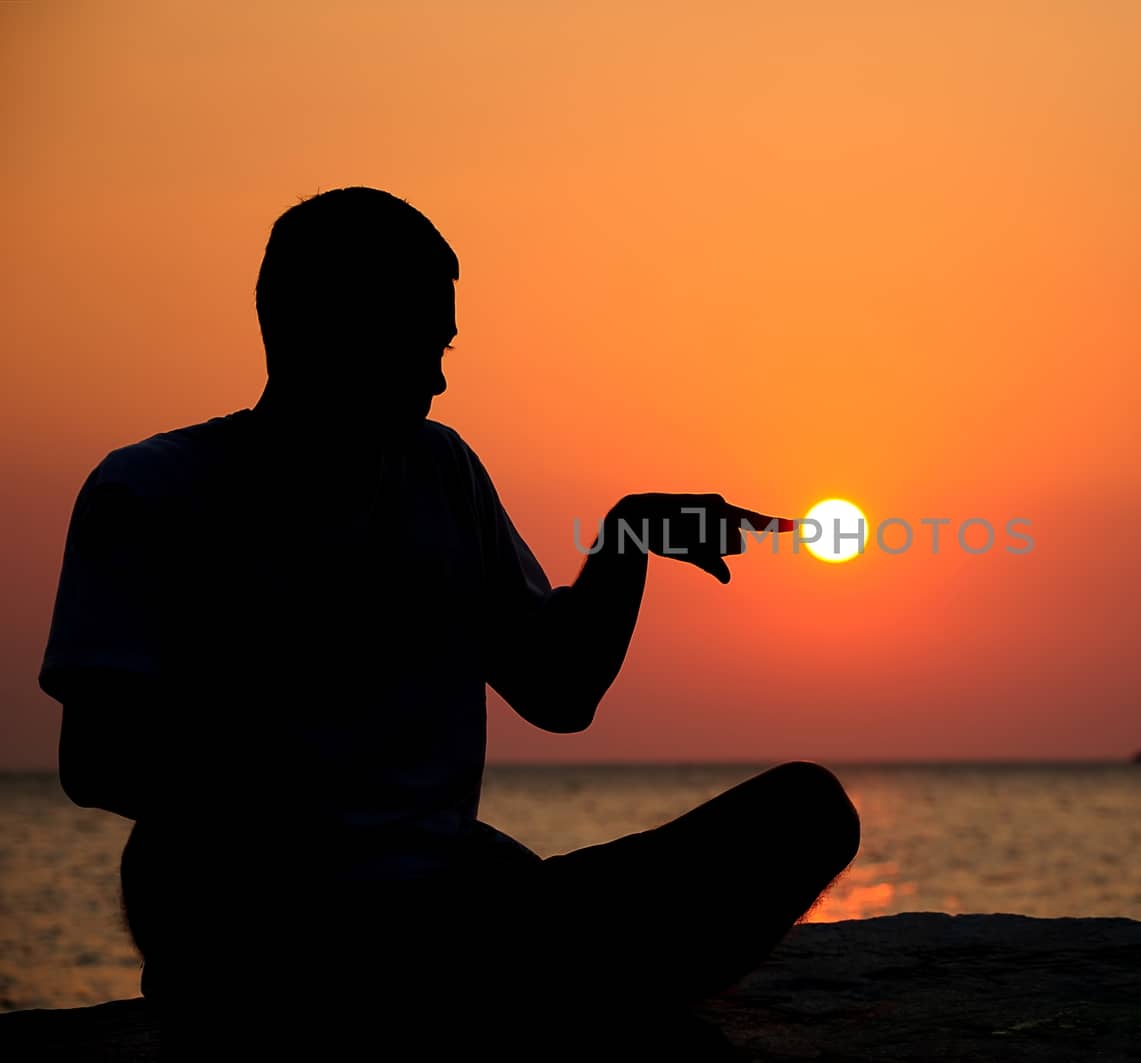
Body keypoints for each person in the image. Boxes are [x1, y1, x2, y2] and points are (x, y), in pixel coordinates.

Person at [38, 186, 860, 1053]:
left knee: (806, 811)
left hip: (447, 918)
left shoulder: (441, 471)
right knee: (505, 956)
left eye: (443, 347)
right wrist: (354, 846)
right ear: (320, 328)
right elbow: (99, 760)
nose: (437, 377)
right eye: (419, 344)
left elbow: (558, 688)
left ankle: (517, 982)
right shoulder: (155, 491)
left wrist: (629, 538)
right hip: (267, 938)